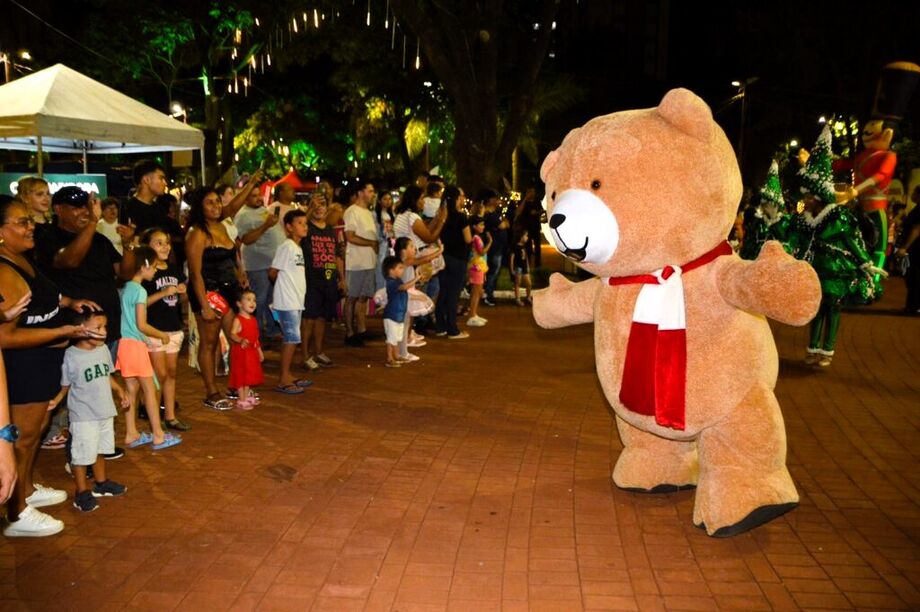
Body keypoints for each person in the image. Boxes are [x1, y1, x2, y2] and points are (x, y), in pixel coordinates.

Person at [0, 197, 105, 537]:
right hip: (23, 367)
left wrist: (69, 302)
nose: (31, 226)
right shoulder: (2, 271)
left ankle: (26, 488)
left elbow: (46, 293)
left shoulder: (22, 259)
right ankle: (15, 512)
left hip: (45, 360)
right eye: (20, 222)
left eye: (29, 220)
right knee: (22, 437)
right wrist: (64, 330)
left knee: (35, 433)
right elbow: (6, 338)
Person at [34, 187, 134, 456]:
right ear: (58, 210)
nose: (84, 212)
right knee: (78, 391)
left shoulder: (100, 240)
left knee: (100, 383)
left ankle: (97, 444)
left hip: (106, 327)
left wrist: (128, 245)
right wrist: (92, 224)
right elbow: (69, 260)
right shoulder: (48, 236)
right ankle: (78, 451)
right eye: (76, 207)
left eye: (87, 207)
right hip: (75, 330)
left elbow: (123, 273)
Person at [48, 310, 129, 513]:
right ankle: (82, 492)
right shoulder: (71, 355)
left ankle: (101, 484)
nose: (103, 332)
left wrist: (119, 390)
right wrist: (56, 400)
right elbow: (66, 385)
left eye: (105, 327)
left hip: (104, 410)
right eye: (98, 328)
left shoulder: (102, 350)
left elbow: (107, 374)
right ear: (81, 330)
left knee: (100, 449)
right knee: (82, 455)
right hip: (83, 415)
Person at [118, 246, 182, 450]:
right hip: (135, 344)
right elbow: (141, 324)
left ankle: (131, 432)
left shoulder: (125, 288)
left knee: (131, 389)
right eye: (153, 267)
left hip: (123, 344)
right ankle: (158, 435)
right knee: (150, 389)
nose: (155, 271)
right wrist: (161, 334)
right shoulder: (140, 291)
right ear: (144, 266)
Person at [184, 187, 240, 410]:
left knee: (235, 338)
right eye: (210, 203)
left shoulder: (222, 226)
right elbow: (195, 274)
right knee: (209, 342)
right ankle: (211, 392)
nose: (216, 206)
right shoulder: (198, 233)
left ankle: (235, 386)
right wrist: (205, 306)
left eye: (218, 202)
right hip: (208, 292)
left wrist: (253, 181)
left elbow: (233, 205)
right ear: (200, 207)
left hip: (228, 290)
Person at [140, 228, 190, 431]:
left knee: (171, 373)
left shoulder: (175, 270)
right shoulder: (146, 273)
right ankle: (154, 417)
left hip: (173, 327)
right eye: (158, 242)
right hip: (153, 329)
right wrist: (162, 293)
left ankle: (170, 415)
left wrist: (183, 293)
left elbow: (180, 301)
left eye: (167, 242)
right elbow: (140, 303)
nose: (165, 246)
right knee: (158, 375)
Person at [269, 209, 312, 394]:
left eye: (305, 223)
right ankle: (283, 379)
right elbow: (273, 272)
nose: (304, 226)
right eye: (300, 223)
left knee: (293, 339)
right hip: (287, 301)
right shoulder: (286, 246)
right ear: (289, 227)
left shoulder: (297, 247)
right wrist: (283, 290)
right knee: (291, 338)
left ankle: (288, 374)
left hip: (295, 300)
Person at [235, 185, 281, 344]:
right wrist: (266, 225)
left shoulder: (262, 209)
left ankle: (272, 330)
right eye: (253, 196)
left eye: (258, 195)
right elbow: (246, 239)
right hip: (258, 265)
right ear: (245, 198)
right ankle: (257, 334)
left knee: (272, 301)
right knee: (258, 302)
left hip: (273, 264)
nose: (258, 198)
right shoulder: (242, 216)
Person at [301, 193, 339, 371]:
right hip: (311, 280)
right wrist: (310, 209)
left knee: (322, 318)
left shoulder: (331, 229)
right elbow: (302, 222)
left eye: (322, 205)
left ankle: (318, 351)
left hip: (329, 279)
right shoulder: (306, 228)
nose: (319, 209)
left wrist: (341, 278)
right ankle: (305, 355)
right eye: (316, 206)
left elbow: (336, 255)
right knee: (308, 318)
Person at [343, 180, 379, 346]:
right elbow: (350, 236)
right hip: (356, 262)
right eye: (370, 191)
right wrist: (370, 243)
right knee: (352, 297)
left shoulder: (369, 213)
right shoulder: (352, 211)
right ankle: (350, 333)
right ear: (360, 192)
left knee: (363, 297)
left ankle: (362, 330)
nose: (372, 194)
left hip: (369, 262)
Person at [392, 237, 438, 363]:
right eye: (411, 247)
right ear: (403, 251)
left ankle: (402, 352)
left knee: (404, 325)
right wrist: (439, 251)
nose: (414, 249)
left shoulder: (404, 262)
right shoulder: (406, 260)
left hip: (406, 295)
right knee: (403, 326)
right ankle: (402, 353)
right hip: (405, 296)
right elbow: (425, 259)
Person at [435, 186, 472, 339]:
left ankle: (440, 326)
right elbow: (468, 239)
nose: (463, 199)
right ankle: (452, 329)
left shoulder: (441, 216)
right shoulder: (461, 217)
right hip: (458, 259)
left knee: (443, 292)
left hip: (444, 257)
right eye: (461, 196)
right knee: (453, 294)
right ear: (456, 198)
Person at [381, 255, 421, 368]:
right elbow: (403, 287)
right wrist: (416, 279)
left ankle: (396, 355)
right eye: (400, 268)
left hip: (398, 315)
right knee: (391, 338)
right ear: (391, 270)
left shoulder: (397, 280)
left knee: (397, 338)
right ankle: (390, 358)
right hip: (392, 315)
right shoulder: (391, 282)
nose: (402, 270)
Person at [228, 290, 264, 409]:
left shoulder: (253, 320)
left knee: (248, 374)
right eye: (248, 299)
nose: (252, 302)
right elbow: (232, 334)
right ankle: (241, 399)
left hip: (251, 352)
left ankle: (246, 395)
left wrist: (259, 351)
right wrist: (240, 340)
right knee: (241, 374)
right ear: (239, 304)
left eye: (254, 300)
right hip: (241, 352)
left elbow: (255, 339)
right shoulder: (238, 320)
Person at [123, 160, 170, 235]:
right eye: (161, 178)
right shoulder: (127, 208)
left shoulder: (160, 210)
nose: (165, 183)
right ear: (146, 180)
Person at [894, 186, 920, 314]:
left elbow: (916, 229)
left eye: (914, 193)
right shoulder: (916, 209)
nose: (912, 195)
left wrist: (905, 247)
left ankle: (914, 307)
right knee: (912, 278)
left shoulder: (919, 210)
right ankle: (912, 306)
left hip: (916, 250)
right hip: (915, 249)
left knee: (914, 278)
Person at [480, 189, 508, 305]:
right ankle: (487, 295)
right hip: (494, 248)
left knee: (494, 272)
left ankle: (488, 294)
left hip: (498, 247)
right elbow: (503, 225)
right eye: (496, 199)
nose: (498, 201)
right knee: (492, 272)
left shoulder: (495, 214)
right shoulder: (490, 215)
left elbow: (505, 224)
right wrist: (503, 223)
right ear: (491, 200)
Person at [466, 215, 491, 327]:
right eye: (480, 224)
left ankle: (474, 314)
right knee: (476, 293)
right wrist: (490, 242)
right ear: (474, 226)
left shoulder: (476, 237)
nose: (483, 226)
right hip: (477, 267)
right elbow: (481, 252)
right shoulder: (476, 238)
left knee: (476, 292)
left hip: (478, 267)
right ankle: (472, 316)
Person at [375, 190, 396, 291]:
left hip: (391, 244)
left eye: (389, 199)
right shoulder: (375, 214)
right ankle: (380, 290)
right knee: (380, 267)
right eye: (385, 199)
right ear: (379, 201)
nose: (388, 201)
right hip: (381, 244)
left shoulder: (392, 214)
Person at [518, 187, 544, 268]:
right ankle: (528, 263)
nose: (532, 193)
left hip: (536, 227)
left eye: (533, 191)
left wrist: (536, 212)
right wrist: (525, 199)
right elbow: (519, 211)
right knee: (528, 246)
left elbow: (542, 210)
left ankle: (537, 264)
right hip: (527, 228)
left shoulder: (536, 201)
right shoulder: (524, 201)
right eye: (530, 191)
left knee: (537, 246)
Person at [510, 225, 533, 306]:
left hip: (524, 267)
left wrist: (527, 266)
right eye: (525, 235)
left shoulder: (524, 246)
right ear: (521, 236)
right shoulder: (515, 246)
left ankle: (528, 297)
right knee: (517, 283)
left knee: (529, 283)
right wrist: (512, 268)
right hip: (518, 267)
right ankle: (517, 299)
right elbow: (512, 258)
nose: (527, 237)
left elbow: (526, 257)